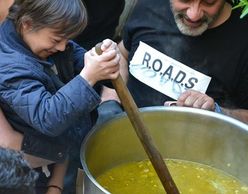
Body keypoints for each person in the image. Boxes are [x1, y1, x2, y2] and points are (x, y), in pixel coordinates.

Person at [0, 0, 120, 194]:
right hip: (24, 173)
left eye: (67, 39)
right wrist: (88, 76)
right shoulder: (9, 67)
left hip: (59, 158)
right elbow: (47, 117)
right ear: (27, 24)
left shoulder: (44, 40)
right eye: (56, 40)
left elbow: (78, 59)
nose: (63, 47)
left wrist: (100, 57)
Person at [103, 0, 248, 123]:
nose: (194, 14)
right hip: (124, 134)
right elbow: (122, 53)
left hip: (195, 153)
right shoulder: (150, 4)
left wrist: (217, 113)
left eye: (209, 2)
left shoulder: (243, 40)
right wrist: (112, 97)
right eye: (185, 0)